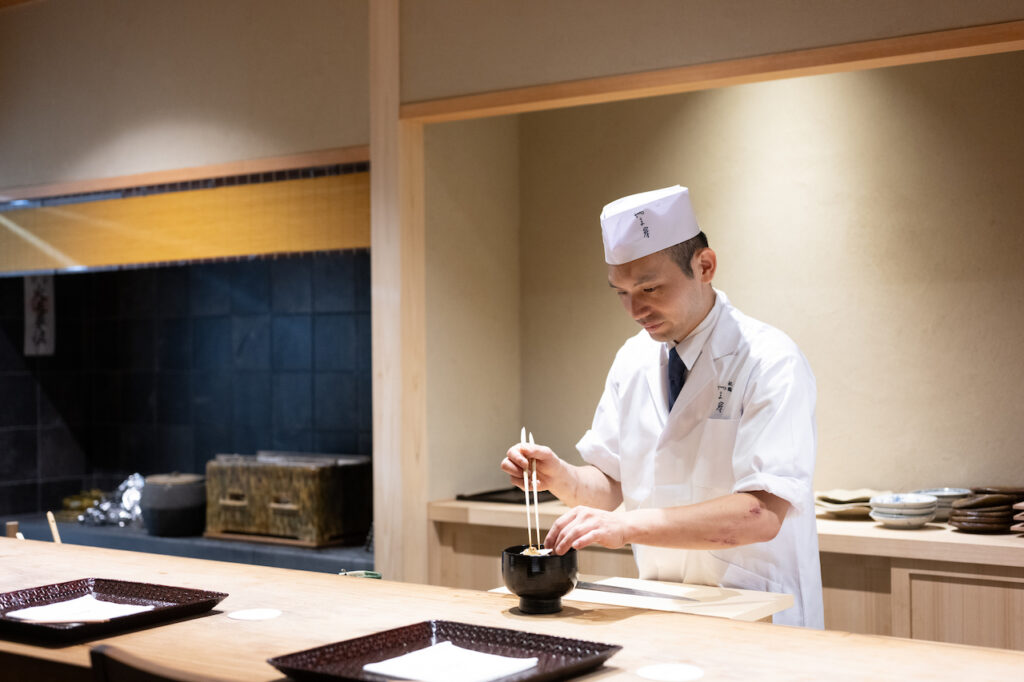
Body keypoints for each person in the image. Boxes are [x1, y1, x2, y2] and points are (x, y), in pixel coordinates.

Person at [502, 185, 823, 628]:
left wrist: (628, 527)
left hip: (756, 606)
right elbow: (611, 482)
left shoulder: (770, 360)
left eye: (650, 287)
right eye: (620, 293)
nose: (635, 309)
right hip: (662, 600)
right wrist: (560, 476)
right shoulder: (633, 359)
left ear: (704, 266)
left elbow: (761, 514)